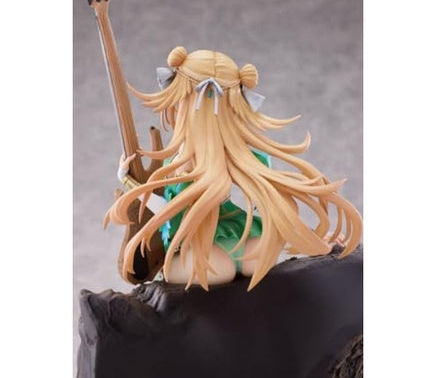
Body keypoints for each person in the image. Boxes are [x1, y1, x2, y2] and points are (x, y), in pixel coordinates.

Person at [104, 46, 362, 291]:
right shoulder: (241, 154)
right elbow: (273, 206)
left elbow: (169, 211)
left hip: (208, 257)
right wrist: (313, 240)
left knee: (173, 270)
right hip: (250, 248)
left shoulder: (180, 164)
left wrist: (130, 184)